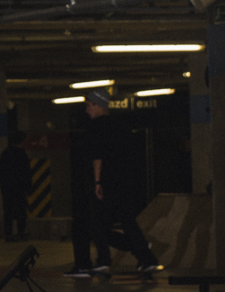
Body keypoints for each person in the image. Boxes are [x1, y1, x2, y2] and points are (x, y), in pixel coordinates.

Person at [68, 92, 160, 277]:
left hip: (106, 181)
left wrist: (97, 181)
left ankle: (102, 261)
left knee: (94, 222)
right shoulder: (120, 125)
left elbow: (97, 156)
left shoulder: (96, 126)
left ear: (98, 105)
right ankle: (146, 256)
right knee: (126, 220)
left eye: (89, 106)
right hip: (124, 180)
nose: (87, 110)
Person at [0, 129, 33, 242]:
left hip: (7, 188)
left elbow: (0, 171)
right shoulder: (22, 154)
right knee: (21, 210)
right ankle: (21, 233)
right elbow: (27, 173)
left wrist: (4, 185)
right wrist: (28, 188)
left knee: (8, 210)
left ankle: (8, 234)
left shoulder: (5, 153)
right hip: (19, 188)